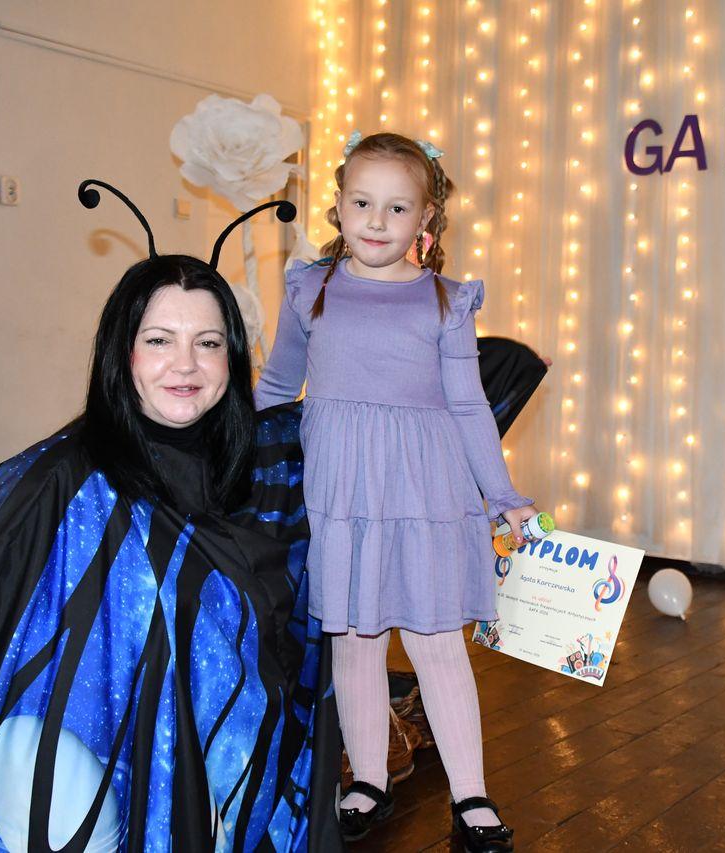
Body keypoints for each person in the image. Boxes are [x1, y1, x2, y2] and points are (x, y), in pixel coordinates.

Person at [0, 182, 342, 852]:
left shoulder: (262, 471)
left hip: (224, 790)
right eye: (159, 340)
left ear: (233, 356)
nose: (185, 364)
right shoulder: (61, 479)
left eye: (209, 342)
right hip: (84, 785)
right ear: (122, 352)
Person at [255, 131, 533, 852]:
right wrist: (229, 454)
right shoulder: (310, 289)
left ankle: (471, 794)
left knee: (436, 641)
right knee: (354, 639)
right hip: (340, 492)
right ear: (338, 205)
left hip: (424, 492)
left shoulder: (444, 301)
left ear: (426, 219)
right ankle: (369, 778)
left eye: (397, 207)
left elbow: (468, 404)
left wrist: (502, 494)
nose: (376, 221)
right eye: (362, 203)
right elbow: (279, 384)